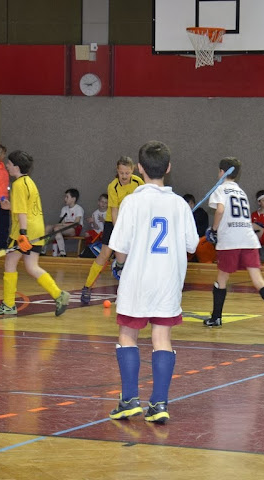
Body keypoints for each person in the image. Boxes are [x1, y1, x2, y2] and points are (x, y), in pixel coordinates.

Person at [107, 141, 198, 424]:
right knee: (162, 338)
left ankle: (129, 400)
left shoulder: (131, 202)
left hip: (137, 279)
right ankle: (159, 404)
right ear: (168, 168)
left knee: (127, 335)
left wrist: (119, 265)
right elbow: (192, 245)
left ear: (139, 168)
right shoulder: (180, 204)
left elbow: (120, 250)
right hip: (168, 281)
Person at [204, 157, 264, 335]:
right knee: (258, 280)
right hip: (248, 239)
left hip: (230, 240)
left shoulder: (220, 189)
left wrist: (214, 229)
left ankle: (216, 317)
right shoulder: (241, 192)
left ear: (222, 172)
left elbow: (220, 210)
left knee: (221, 280)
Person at [0, 150, 70, 317]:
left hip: (24, 231)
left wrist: (23, 234)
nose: (7, 166)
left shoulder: (18, 185)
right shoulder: (29, 182)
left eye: (9, 163)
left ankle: (9, 304)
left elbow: (22, 213)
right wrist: (10, 206)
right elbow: (24, 207)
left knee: (9, 263)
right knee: (32, 266)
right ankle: (59, 294)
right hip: (37, 229)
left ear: (16, 167)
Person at [80, 157, 144, 305]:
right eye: (121, 173)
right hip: (113, 222)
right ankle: (87, 287)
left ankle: (132, 289)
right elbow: (114, 212)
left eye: (127, 173)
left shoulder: (138, 183)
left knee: (134, 256)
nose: (124, 176)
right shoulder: (113, 186)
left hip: (132, 222)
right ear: (117, 171)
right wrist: (119, 231)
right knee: (104, 255)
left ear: (132, 171)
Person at [43, 188, 83, 257]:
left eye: (67, 197)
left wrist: (62, 225)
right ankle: (43, 250)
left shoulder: (78, 208)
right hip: (64, 227)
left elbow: (76, 224)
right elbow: (62, 223)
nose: (65, 199)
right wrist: (59, 225)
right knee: (48, 228)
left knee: (57, 229)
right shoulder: (64, 209)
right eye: (65, 197)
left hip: (74, 228)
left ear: (73, 199)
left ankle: (62, 252)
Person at [183, 193, 216, 263]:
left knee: (202, 243)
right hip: (189, 245)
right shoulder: (182, 215)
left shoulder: (200, 213)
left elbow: (199, 232)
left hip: (200, 243)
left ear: (192, 204)